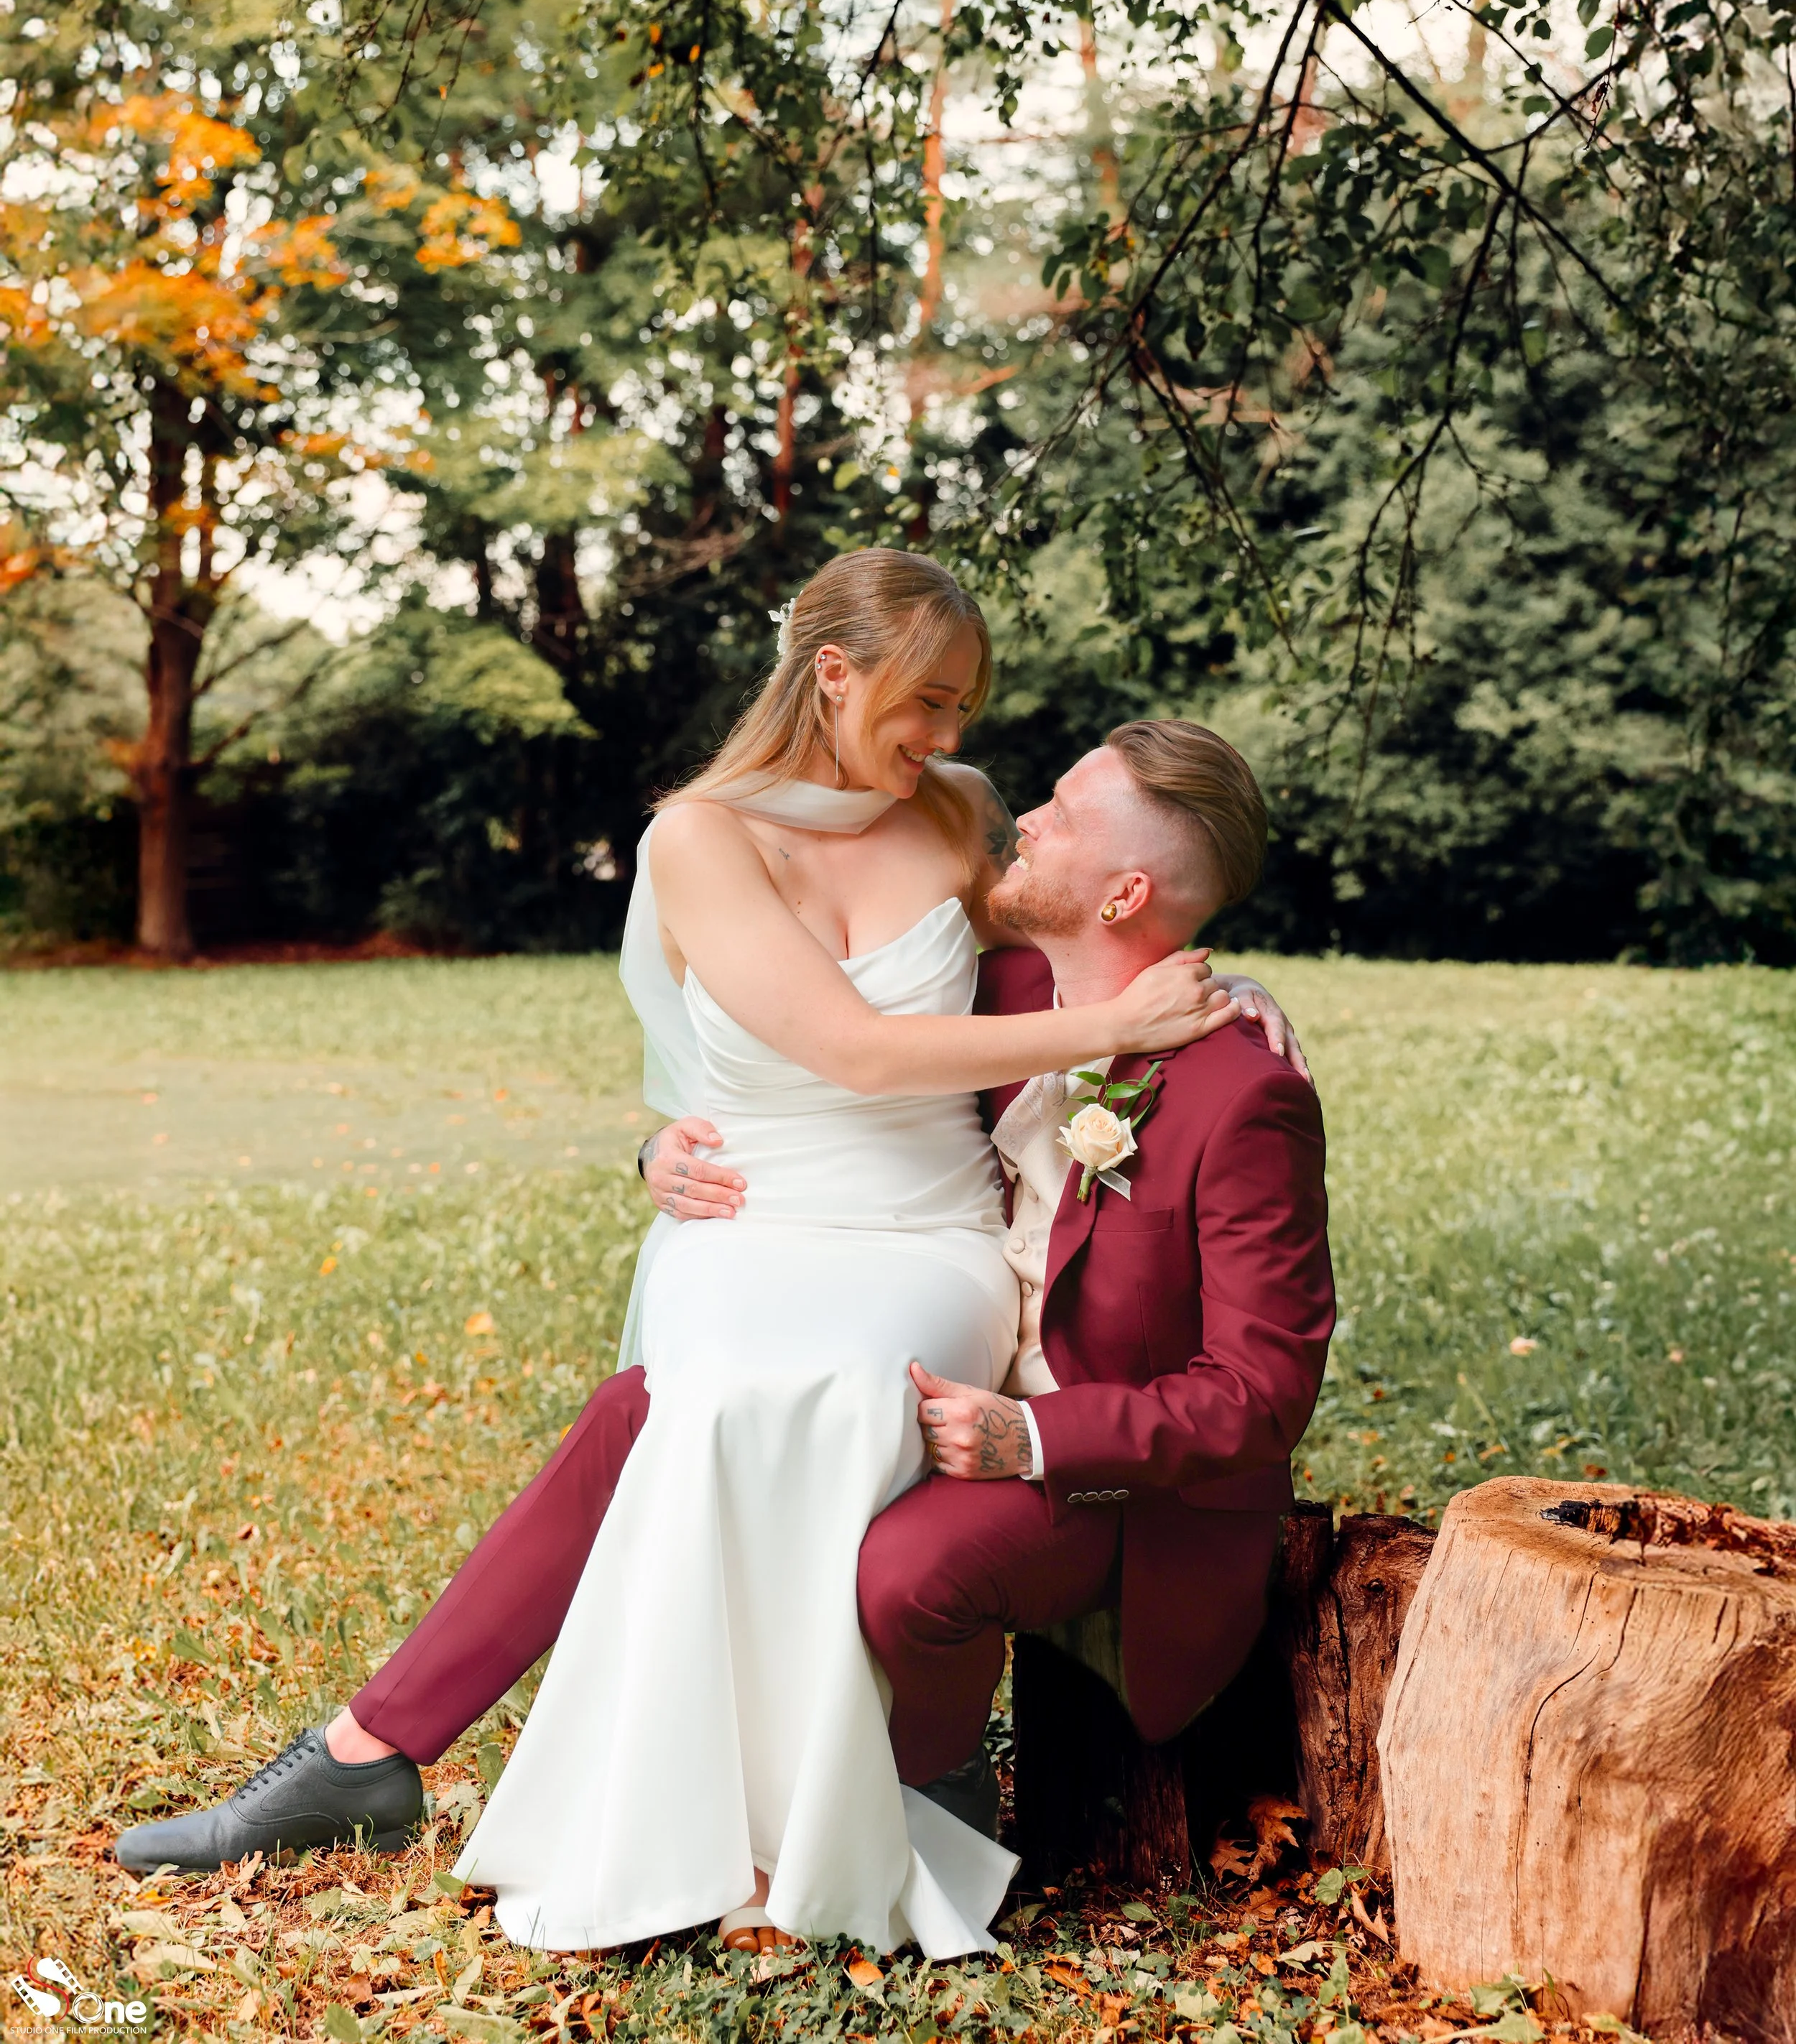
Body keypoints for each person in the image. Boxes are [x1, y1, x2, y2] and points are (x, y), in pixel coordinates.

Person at [114, 551, 1292, 1958]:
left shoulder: (958, 814)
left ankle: (799, 1800)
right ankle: (496, 1777)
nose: (951, 738)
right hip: (752, 1218)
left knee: (774, 1396)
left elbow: (1081, 933)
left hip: (922, 1232)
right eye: (926, 699)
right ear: (833, 673)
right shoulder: (696, 838)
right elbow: (846, 1046)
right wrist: (655, 1153)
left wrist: (1210, 997)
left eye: (966, 704)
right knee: (690, 1396)